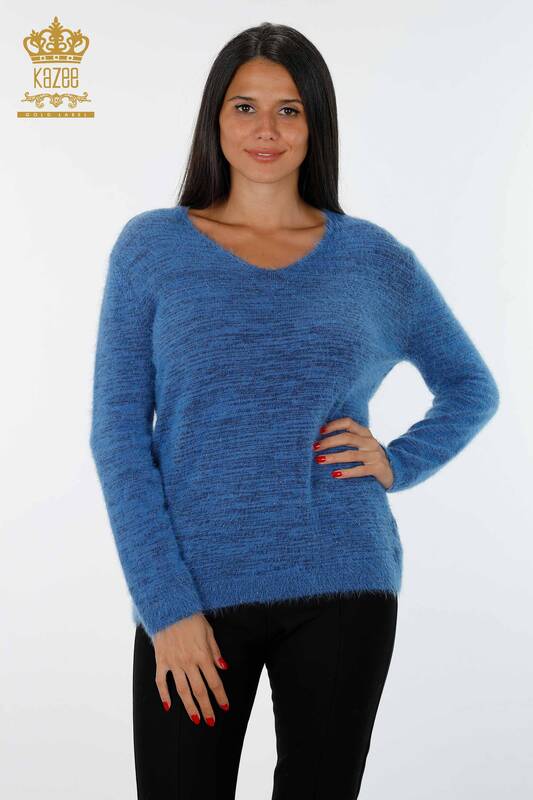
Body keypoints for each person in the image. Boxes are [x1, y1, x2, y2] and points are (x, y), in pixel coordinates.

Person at [89, 22, 500, 800]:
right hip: (193, 590)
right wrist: (165, 606)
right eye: (244, 107)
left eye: (289, 110)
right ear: (214, 119)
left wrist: (397, 461)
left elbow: (470, 387)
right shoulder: (153, 249)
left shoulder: (373, 260)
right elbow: (116, 436)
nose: (266, 131)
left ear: (316, 124)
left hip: (343, 580)